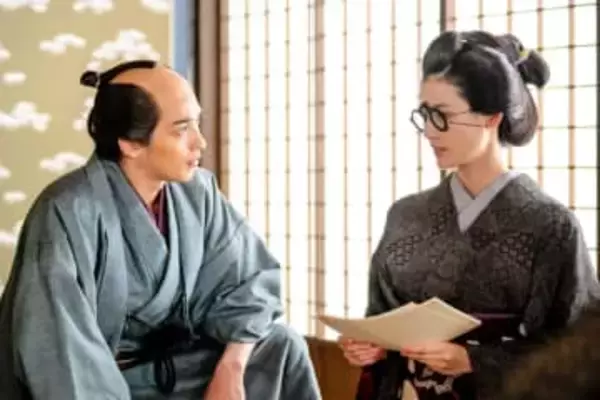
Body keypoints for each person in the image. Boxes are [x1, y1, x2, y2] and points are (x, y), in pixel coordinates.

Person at [0, 60, 322, 400]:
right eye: (182, 129)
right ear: (130, 142)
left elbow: (249, 282)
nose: (200, 142)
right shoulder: (68, 210)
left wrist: (231, 367)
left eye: (197, 123)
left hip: (178, 370)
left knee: (281, 346)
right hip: (104, 378)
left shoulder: (197, 194)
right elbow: (59, 351)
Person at [338, 30, 600, 399]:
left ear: (491, 117)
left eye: (442, 115)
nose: (429, 131)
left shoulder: (551, 226)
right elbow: (379, 316)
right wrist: (369, 346)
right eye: (425, 114)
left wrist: (473, 360)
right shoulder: (404, 215)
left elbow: (576, 351)